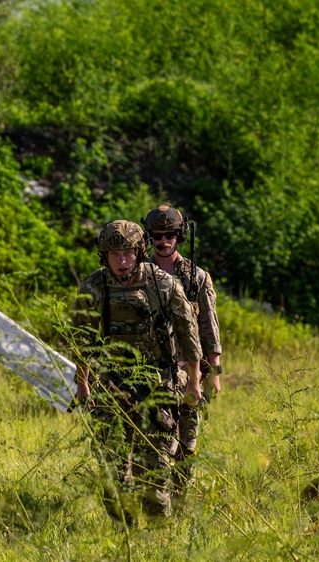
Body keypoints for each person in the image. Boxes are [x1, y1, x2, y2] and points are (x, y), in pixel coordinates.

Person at [72, 219, 203, 522]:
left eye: (128, 253)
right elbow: (80, 340)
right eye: (115, 254)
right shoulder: (94, 286)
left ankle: (158, 538)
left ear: (139, 251)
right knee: (112, 469)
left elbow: (188, 333)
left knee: (154, 471)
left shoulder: (163, 283)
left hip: (157, 385)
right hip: (113, 383)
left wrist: (194, 381)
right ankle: (125, 534)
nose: (122, 260)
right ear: (104, 256)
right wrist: (84, 384)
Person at [143, 204, 222, 487]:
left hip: (191, 372)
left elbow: (209, 327)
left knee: (187, 445)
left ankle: (181, 500)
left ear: (180, 236)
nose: (163, 242)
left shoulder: (196, 276)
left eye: (170, 235)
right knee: (157, 443)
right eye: (156, 236)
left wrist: (213, 372)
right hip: (153, 372)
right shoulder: (139, 274)